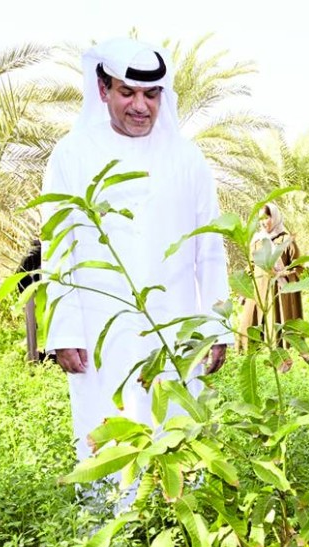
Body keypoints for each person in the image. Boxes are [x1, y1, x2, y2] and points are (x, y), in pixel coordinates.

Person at [41, 38, 231, 459]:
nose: (140, 106)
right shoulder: (71, 155)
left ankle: (177, 518)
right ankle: (109, 521)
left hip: (177, 328)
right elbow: (58, 244)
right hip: (100, 332)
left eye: (151, 93)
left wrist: (217, 327)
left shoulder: (188, 158)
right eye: (127, 92)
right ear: (103, 90)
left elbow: (210, 247)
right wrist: (64, 330)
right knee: (104, 435)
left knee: (180, 435)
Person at [237, 201, 303, 352]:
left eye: (267, 217)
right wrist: (243, 288)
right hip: (258, 287)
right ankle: (250, 346)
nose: (264, 222)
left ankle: (279, 347)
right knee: (251, 318)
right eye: (261, 219)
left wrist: (283, 274)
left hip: (278, 289)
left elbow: (298, 266)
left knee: (276, 317)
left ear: (275, 217)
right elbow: (251, 265)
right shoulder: (257, 240)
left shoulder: (286, 240)